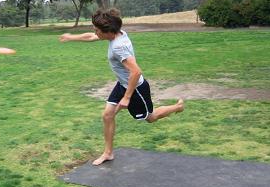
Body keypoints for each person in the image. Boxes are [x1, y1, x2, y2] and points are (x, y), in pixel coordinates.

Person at [59, 8, 184, 165]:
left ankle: (178, 107)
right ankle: (108, 153)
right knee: (107, 115)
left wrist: (126, 97)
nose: (95, 32)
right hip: (123, 84)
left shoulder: (119, 46)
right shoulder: (117, 33)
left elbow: (136, 72)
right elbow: (91, 36)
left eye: (97, 30)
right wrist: (71, 37)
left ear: (107, 32)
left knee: (150, 118)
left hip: (136, 89)